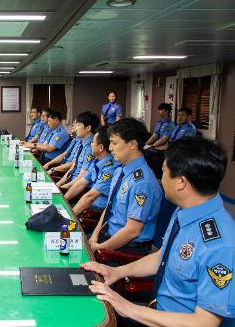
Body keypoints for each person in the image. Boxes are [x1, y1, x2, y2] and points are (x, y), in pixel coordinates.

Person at [83, 137, 234, 327]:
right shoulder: (185, 210)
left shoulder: (221, 245)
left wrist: (128, 308)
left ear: (181, 182)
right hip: (156, 312)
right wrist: (117, 271)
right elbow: (163, 256)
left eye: (163, 172)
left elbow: (205, 322)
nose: (160, 179)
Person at [89, 118, 162, 254]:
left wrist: (99, 248)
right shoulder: (120, 171)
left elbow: (131, 231)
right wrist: (94, 237)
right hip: (106, 238)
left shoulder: (141, 182)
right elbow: (109, 208)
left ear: (132, 144)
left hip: (126, 250)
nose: (110, 148)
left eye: (114, 143)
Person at [64, 126, 120, 216]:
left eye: (93, 142)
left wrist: (69, 217)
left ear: (101, 147)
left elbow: (91, 196)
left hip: (97, 211)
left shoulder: (111, 167)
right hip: (89, 205)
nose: (91, 144)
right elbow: (81, 183)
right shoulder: (97, 160)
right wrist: (63, 200)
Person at [53, 111, 100, 189]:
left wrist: (63, 187)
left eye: (78, 125)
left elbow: (82, 176)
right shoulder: (82, 143)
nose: (76, 128)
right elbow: (73, 167)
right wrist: (59, 184)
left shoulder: (91, 147)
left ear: (88, 128)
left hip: (78, 188)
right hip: (70, 182)